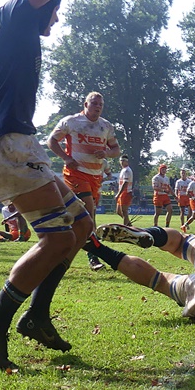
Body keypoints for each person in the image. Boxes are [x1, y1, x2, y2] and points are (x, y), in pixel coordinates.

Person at [0, 0, 143, 370]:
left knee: (80, 227)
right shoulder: (12, 15)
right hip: (6, 146)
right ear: (38, 1)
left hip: (19, 146)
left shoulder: (11, 30)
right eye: (55, 8)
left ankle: (37, 316)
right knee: (58, 239)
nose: (57, 17)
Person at [46, 91, 122, 271]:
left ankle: (59, 243)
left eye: (100, 105)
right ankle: (93, 257)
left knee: (81, 217)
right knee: (90, 213)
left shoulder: (106, 126)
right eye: (94, 103)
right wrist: (65, 158)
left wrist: (107, 153)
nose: (97, 107)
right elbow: (51, 140)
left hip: (96, 177)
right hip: (76, 173)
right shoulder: (71, 122)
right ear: (85, 104)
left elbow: (116, 149)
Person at [151, 164, 173, 228]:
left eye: (165, 169)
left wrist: (174, 195)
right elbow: (155, 187)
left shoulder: (166, 178)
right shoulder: (156, 177)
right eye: (162, 169)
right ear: (160, 170)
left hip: (165, 196)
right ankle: (155, 225)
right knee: (158, 213)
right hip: (158, 196)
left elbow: (169, 187)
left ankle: (167, 225)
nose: (164, 171)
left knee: (170, 210)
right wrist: (163, 190)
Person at [115, 155, 134, 225]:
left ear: (127, 162)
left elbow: (125, 183)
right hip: (123, 192)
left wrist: (118, 194)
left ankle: (125, 227)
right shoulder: (123, 170)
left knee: (124, 211)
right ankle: (129, 224)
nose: (122, 162)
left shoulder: (127, 170)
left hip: (126, 192)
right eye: (121, 161)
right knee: (118, 211)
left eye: (124, 161)